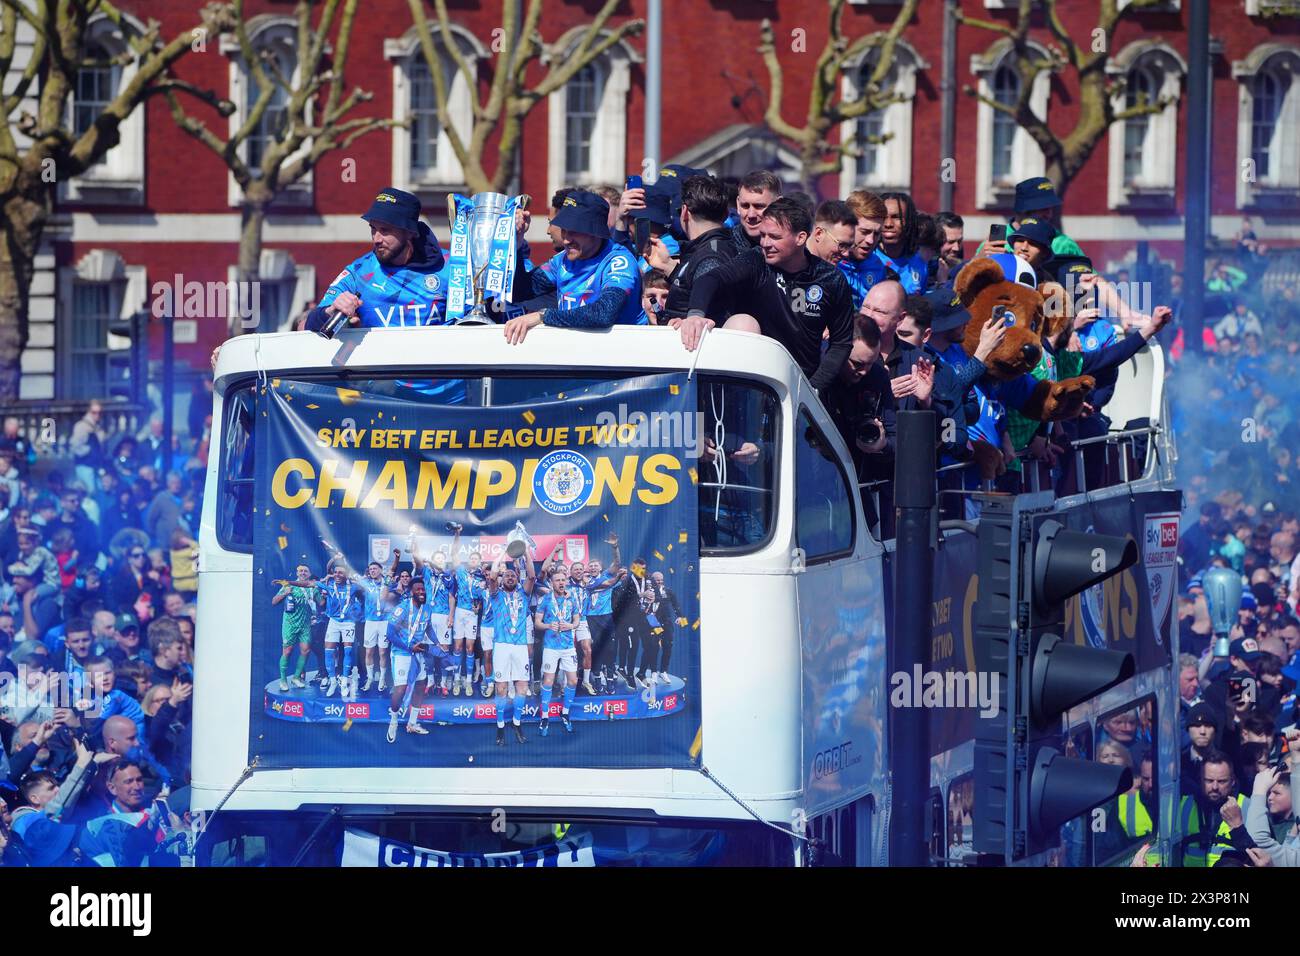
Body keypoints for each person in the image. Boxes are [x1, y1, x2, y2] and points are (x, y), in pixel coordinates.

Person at [677, 197, 855, 391]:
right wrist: (695, 316)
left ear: (801, 238)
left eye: (775, 237)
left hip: (801, 385)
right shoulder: (756, 260)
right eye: (763, 235)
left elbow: (841, 343)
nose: (765, 243)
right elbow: (710, 279)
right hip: (756, 382)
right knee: (742, 322)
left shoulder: (831, 279)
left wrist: (814, 388)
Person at [503, 191, 644, 344]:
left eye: (575, 232)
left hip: (622, 357)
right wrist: (516, 243)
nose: (566, 240)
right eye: (564, 230)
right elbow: (519, 292)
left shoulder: (619, 261)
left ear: (596, 231)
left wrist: (542, 316)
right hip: (576, 353)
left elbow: (604, 313)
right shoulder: (561, 260)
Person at [303, 187, 447, 332]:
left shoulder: (450, 266)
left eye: (385, 230)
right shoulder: (358, 273)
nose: (376, 239)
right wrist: (331, 310)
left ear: (410, 232)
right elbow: (307, 325)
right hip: (378, 355)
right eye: (373, 229)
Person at [645, 175, 738, 323]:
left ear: (684, 211)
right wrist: (669, 266)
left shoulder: (710, 256)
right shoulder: (708, 249)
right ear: (726, 214)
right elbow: (691, 290)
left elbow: (709, 311)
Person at [486, 551, 536, 746]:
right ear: (501, 579)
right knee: (501, 688)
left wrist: (526, 554)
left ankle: (516, 723)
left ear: (517, 579)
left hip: (520, 647)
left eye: (513, 576)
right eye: (506, 575)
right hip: (501, 646)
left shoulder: (524, 595)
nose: (509, 577)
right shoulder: (496, 596)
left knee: (522, 688)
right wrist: (502, 554)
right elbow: (491, 576)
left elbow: (532, 576)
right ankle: (500, 725)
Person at [384, 578, 434, 743]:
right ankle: (393, 720)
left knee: (421, 685)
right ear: (411, 592)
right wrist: (408, 648)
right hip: (402, 653)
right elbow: (390, 634)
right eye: (418, 590)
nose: (421, 592)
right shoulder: (402, 608)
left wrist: (439, 643)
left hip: (418, 653)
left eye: (423, 589)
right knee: (400, 689)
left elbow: (428, 627)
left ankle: (412, 723)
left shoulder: (427, 608)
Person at [1178, 750, 1247, 866]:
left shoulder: (1248, 806)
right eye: (1209, 781)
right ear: (1200, 779)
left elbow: (1260, 856)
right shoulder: (1183, 806)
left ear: (1233, 781)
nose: (1215, 787)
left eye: (1221, 781)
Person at [534, 566, 580, 736]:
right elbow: (537, 622)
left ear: (566, 581)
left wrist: (572, 626)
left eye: (563, 580)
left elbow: (577, 619)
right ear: (552, 583)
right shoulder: (545, 600)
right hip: (551, 646)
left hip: (568, 646)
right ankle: (544, 716)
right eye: (557, 580)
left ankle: (565, 713)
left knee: (573, 681)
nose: (561, 583)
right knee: (548, 681)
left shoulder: (572, 598)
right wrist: (547, 625)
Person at [315, 555, 362, 700]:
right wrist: (289, 583)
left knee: (348, 652)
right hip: (333, 622)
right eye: (335, 572)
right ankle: (333, 681)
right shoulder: (329, 584)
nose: (337, 574)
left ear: (346, 574)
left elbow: (368, 589)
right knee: (329, 652)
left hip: (348, 622)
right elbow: (311, 583)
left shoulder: (354, 586)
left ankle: (344, 683)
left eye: (340, 572)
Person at [840, 190, 890, 307]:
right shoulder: (828, 261)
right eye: (864, 232)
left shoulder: (877, 265)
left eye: (876, 234)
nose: (870, 240)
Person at [272, 565, 317, 691]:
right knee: (287, 651)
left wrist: (324, 593)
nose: (303, 573)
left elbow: (322, 602)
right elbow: (274, 601)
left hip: (305, 625)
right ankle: (283, 680)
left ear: (309, 573)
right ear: (297, 573)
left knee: (306, 651)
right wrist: (284, 594)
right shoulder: (288, 586)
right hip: (290, 625)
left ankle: (296, 677)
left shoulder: (313, 588)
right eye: (301, 571)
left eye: (305, 571)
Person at [873, 192, 927, 293]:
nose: (888, 224)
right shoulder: (867, 258)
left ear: (909, 221)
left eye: (896, 217)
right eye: (883, 217)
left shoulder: (920, 263)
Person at [730, 169, 782, 255]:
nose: (751, 215)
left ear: (778, 204)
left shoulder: (792, 246)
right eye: (745, 206)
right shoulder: (724, 250)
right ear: (738, 205)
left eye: (759, 206)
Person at [806, 200, 857, 267]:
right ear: (819, 234)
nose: (846, 254)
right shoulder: (791, 266)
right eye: (842, 245)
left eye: (849, 246)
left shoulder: (834, 274)